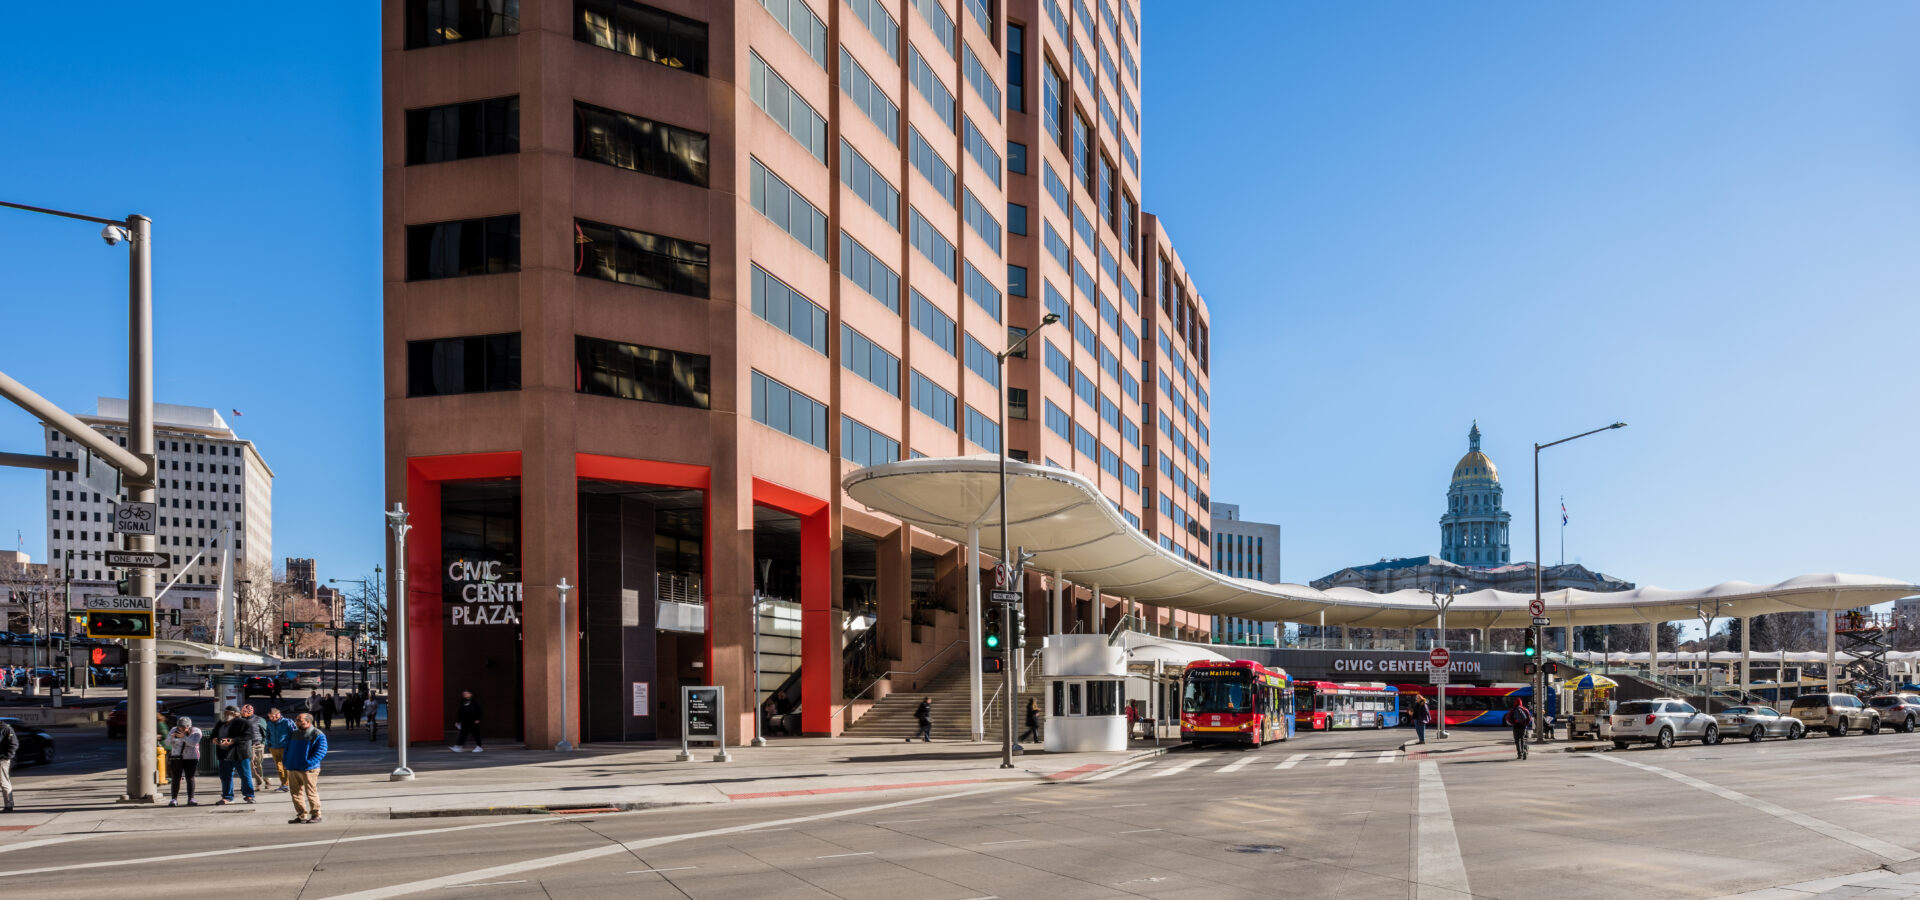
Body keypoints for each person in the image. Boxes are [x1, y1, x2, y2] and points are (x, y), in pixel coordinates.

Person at [283, 711, 328, 824]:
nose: (296, 722)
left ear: (308, 722)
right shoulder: (293, 734)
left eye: (299, 720)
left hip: (309, 769)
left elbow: (321, 752)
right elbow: (287, 749)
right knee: (295, 793)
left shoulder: (317, 734)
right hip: (293, 767)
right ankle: (301, 815)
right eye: (296, 720)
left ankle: (316, 814)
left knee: (311, 792)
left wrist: (308, 762)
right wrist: (286, 761)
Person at [213, 706, 257, 804]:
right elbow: (214, 733)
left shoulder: (243, 723)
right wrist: (214, 739)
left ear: (235, 714)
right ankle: (227, 796)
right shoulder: (221, 723)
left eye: (227, 713)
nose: (225, 714)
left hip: (240, 754)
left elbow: (249, 736)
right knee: (225, 776)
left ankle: (249, 795)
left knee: (245, 775)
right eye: (225, 712)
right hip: (224, 753)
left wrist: (232, 740)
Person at [165, 717, 203, 806]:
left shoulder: (196, 731)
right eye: (179, 727)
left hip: (191, 757)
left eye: (184, 727)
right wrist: (172, 737)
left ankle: (191, 798)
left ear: (189, 726)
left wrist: (183, 737)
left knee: (190, 778)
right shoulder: (174, 730)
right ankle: (174, 799)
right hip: (176, 757)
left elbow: (193, 743)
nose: (181, 729)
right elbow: (167, 743)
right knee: (176, 778)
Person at [239, 703, 271, 791]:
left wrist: (264, 743)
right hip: (246, 746)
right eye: (242, 711)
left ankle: (261, 781)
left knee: (256, 764)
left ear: (250, 712)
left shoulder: (259, 720)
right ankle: (261, 781)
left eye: (244, 712)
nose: (242, 713)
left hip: (257, 745)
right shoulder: (240, 720)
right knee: (250, 765)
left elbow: (266, 732)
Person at [265, 708, 295, 793]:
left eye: (272, 716)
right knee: (279, 767)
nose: (271, 718)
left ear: (278, 714)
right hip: (273, 748)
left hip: (285, 747)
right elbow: (267, 733)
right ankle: (284, 784)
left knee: (286, 766)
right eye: (269, 717)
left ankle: (286, 784)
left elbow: (294, 732)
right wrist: (268, 744)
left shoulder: (287, 722)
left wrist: (291, 744)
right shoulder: (270, 723)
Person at [0, 716, 16, 812]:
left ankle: (9, 805)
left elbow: (14, 744)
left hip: (2, 760)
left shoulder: (6, 728)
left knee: (4, 782)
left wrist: (6, 756)